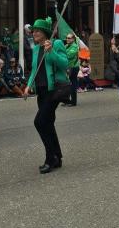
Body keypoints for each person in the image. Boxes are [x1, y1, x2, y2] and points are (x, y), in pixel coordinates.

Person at [24, 17, 69, 174]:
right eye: (33, 31)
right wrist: (28, 86)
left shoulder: (56, 44)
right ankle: (57, 156)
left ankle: (50, 158)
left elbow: (65, 64)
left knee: (39, 122)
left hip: (53, 90)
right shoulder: (36, 48)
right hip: (41, 91)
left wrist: (51, 52)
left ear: (45, 32)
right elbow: (35, 70)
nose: (34, 33)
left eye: (37, 31)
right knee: (48, 124)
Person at [64, 33, 80, 106]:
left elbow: (68, 55)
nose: (67, 39)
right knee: (67, 84)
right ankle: (67, 100)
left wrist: (63, 53)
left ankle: (73, 102)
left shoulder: (75, 46)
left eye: (69, 38)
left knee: (72, 85)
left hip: (73, 67)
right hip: (68, 67)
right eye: (67, 38)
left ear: (73, 39)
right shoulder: (66, 46)